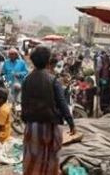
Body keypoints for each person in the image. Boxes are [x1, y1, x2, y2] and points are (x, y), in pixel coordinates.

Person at [21, 45, 76, 175]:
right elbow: (62, 104)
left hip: (32, 126)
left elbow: (24, 103)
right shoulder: (53, 80)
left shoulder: (26, 80)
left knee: (32, 159)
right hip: (50, 127)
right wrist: (71, 123)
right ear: (47, 61)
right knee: (50, 160)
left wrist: (26, 121)